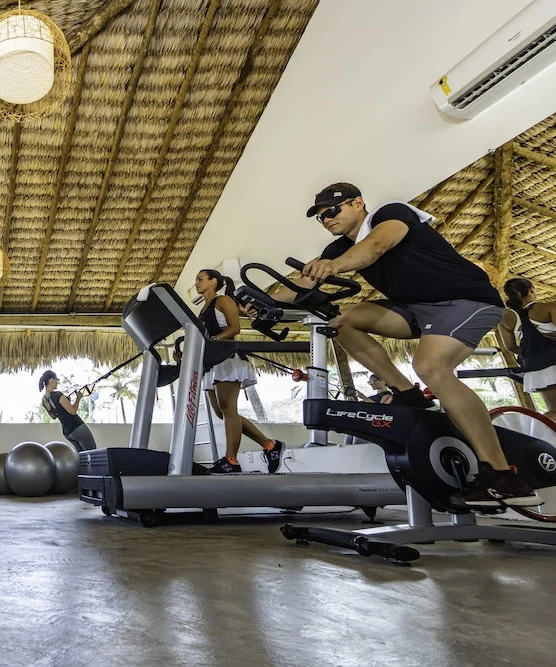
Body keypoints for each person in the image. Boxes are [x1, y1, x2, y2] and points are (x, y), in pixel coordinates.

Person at [261, 182, 539, 507]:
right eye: (320, 217)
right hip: (416, 309)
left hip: (467, 301)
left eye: (332, 211)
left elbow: (375, 247)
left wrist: (334, 266)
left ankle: (503, 475)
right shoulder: (338, 249)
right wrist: (262, 301)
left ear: (357, 203)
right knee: (340, 321)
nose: (327, 219)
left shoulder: (390, 213)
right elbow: (302, 281)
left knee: (431, 366)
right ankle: (407, 394)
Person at [189, 269, 285, 474]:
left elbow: (234, 328)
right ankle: (270, 445)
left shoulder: (223, 300)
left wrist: (213, 341)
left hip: (227, 358)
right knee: (221, 412)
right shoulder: (203, 309)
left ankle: (231, 460)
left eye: (200, 279)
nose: (196, 283)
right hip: (211, 363)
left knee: (227, 408)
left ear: (213, 282)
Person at [497, 278, 556, 421]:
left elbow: (510, 347)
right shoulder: (548, 307)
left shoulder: (505, 318)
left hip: (536, 369)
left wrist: (533, 352)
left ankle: (539, 430)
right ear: (531, 289)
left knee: (553, 411)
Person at [39, 370, 97, 452]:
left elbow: (53, 416)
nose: (57, 382)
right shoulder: (57, 395)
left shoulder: (44, 400)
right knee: (93, 454)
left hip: (67, 433)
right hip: (76, 426)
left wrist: (62, 405)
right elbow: (72, 411)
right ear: (51, 380)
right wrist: (78, 398)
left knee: (81, 456)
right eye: (56, 379)